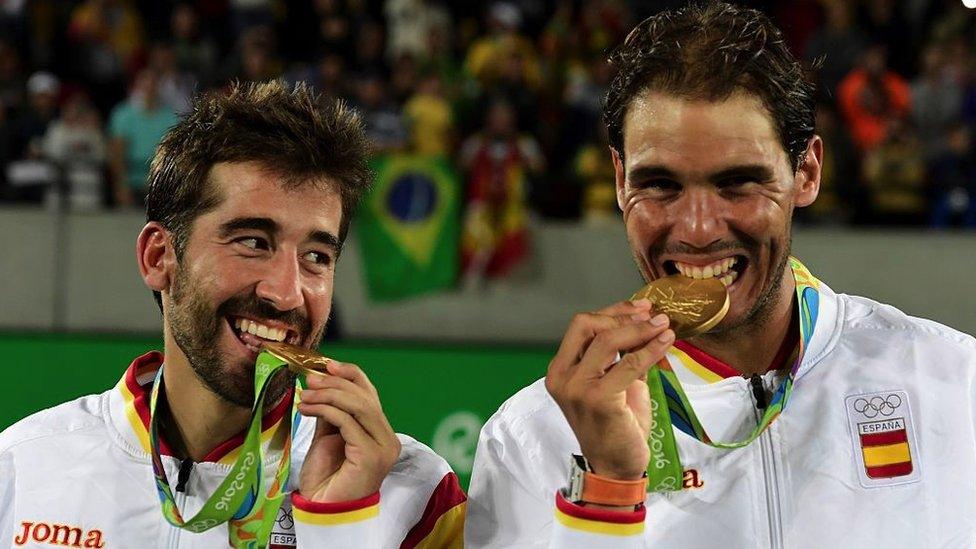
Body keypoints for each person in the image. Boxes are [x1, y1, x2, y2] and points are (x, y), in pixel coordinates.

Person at [465, 3, 976, 548]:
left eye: (738, 183)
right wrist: (606, 495)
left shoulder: (954, 385)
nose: (699, 229)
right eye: (660, 184)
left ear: (805, 172)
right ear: (619, 180)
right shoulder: (529, 439)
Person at [0, 80, 465, 548]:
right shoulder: (22, 469)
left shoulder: (417, 500)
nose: (286, 294)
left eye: (317, 256)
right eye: (253, 242)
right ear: (159, 258)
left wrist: (340, 525)